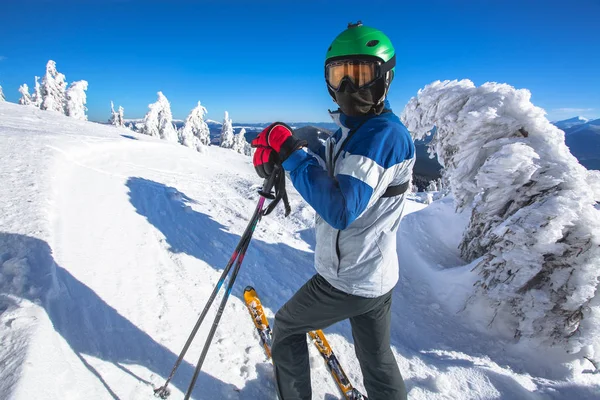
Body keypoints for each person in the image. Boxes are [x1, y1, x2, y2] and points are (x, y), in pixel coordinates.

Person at [250, 21, 415, 400]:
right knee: (375, 356)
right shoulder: (357, 130)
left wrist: (290, 155)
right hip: (376, 273)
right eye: (339, 75)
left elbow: (340, 209)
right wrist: (286, 155)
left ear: (384, 76)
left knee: (288, 326)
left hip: (348, 278)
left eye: (359, 74)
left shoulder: (382, 136)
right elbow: (329, 176)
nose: (347, 87)